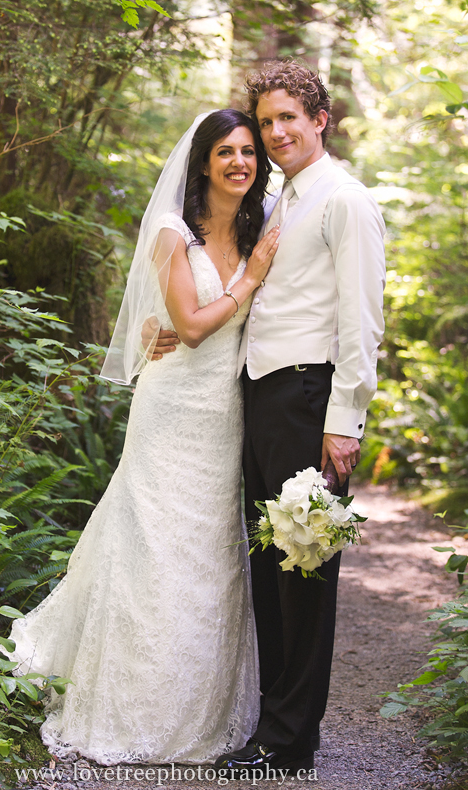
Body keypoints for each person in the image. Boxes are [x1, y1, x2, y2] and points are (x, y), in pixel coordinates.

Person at [3, 108, 280, 765]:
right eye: (225, 153)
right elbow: (186, 325)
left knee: (205, 550)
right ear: (203, 162)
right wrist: (250, 277)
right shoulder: (169, 231)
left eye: (247, 152)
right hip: (170, 409)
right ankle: (126, 697)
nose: (238, 162)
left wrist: (251, 271)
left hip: (222, 414)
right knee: (152, 542)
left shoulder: (255, 225)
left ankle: (198, 703)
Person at [154, 61, 386, 777]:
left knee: (305, 571)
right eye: (266, 121)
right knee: (269, 567)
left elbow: (361, 322)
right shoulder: (281, 198)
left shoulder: (344, 201)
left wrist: (344, 421)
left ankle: (289, 742)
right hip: (260, 398)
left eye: (290, 117)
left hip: (310, 402)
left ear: (319, 120)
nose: (276, 132)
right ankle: (270, 725)